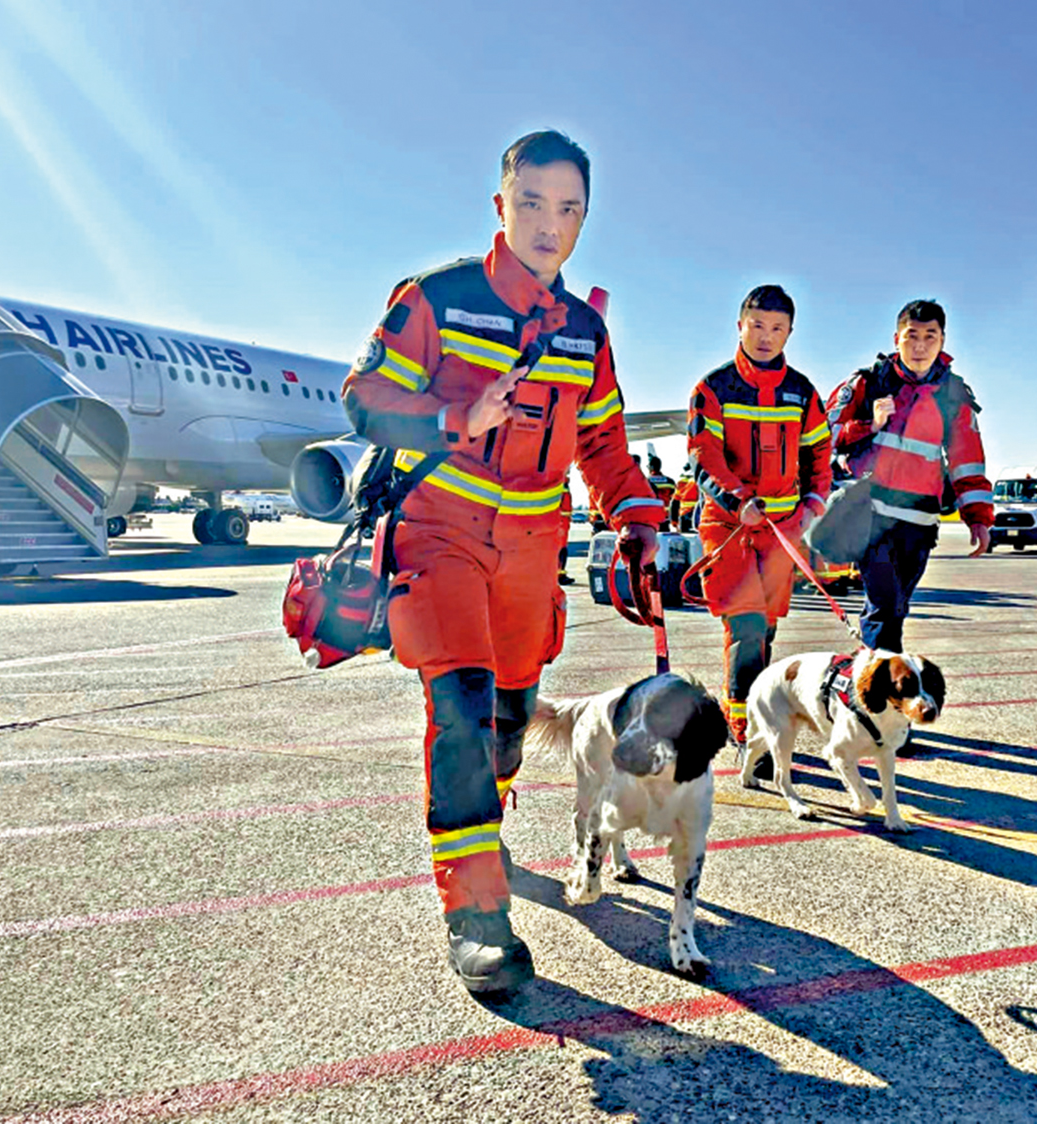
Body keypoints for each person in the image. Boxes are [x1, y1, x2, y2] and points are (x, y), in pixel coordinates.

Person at [341, 130, 663, 996]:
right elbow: (363, 399)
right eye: (531, 204)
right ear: (500, 206)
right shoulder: (437, 299)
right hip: (439, 533)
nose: (549, 226)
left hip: (531, 552)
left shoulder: (586, 331)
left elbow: (604, 444)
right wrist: (455, 420)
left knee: (512, 718)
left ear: (585, 219)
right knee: (462, 709)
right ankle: (477, 914)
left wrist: (638, 519)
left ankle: (483, 824)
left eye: (568, 210)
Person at [687, 284, 832, 749]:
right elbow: (703, 457)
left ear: (789, 333)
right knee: (746, 625)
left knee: (766, 627)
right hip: (728, 528)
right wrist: (737, 501)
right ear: (740, 326)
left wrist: (813, 504)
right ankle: (748, 730)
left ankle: (752, 710)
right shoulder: (713, 389)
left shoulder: (802, 393)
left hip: (782, 532)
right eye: (757, 326)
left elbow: (819, 455)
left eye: (777, 328)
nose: (766, 337)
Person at [827, 299, 992, 654]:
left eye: (930, 336)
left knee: (896, 610)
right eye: (912, 336)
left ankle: (869, 674)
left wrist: (978, 518)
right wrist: (869, 425)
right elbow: (820, 435)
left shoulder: (954, 396)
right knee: (884, 607)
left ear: (942, 341)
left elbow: (968, 462)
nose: (920, 346)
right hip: (870, 515)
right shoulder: (868, 383)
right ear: (896, 339)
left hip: (920, 522)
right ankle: (880, 683)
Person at [670, 462, 699, 532]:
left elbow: (675, 502)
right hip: (698, 513)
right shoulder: (701, 479)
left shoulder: (681, 481)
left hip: (684, 514)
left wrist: (674, 520)